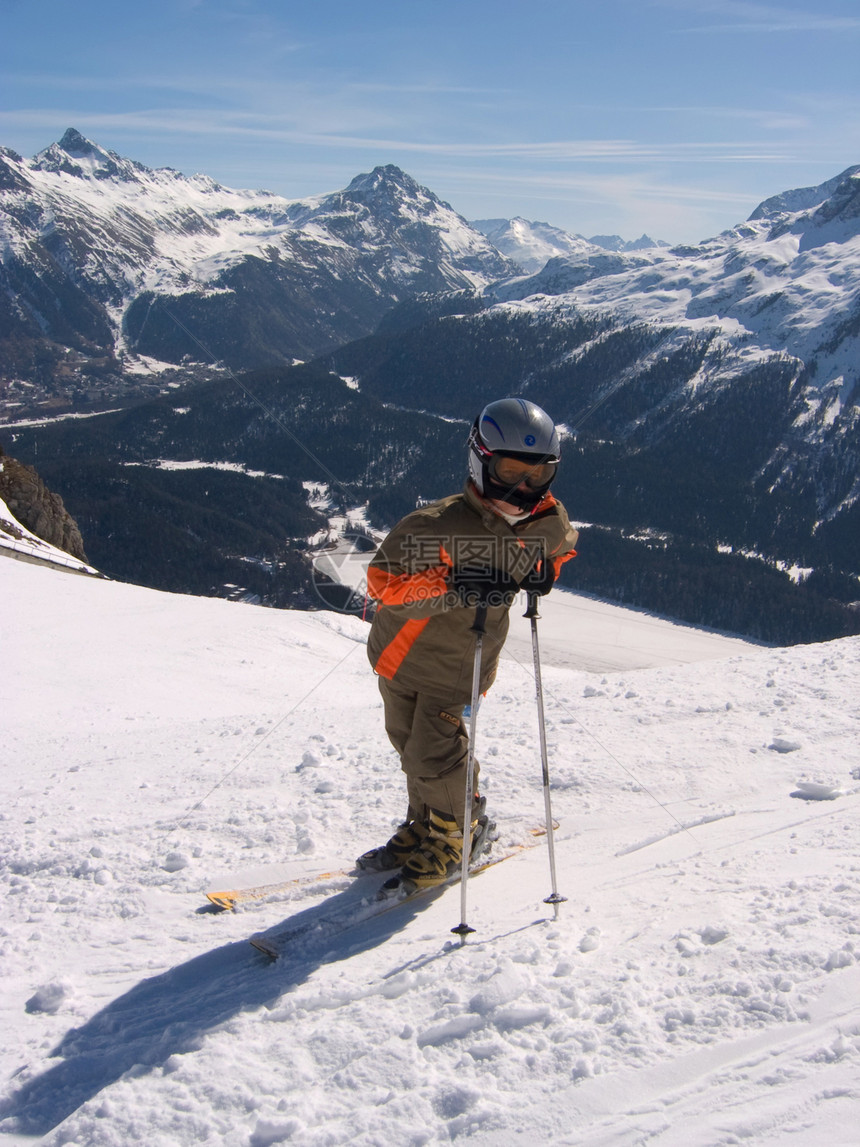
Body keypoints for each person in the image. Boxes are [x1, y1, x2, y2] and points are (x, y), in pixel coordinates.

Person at [358, 397, 579, 893]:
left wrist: (546, 571)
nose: (522, 487)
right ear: (481, 461)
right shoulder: (435, 526)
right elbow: (384, 585)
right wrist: (453, 583)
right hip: (397, 657)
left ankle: (459, 833)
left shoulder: (546, 522)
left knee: (435, 755)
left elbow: (560, 547)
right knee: (409, 749)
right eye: (509, 470)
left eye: (537, 476)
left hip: (460, 664)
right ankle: (430, 821)